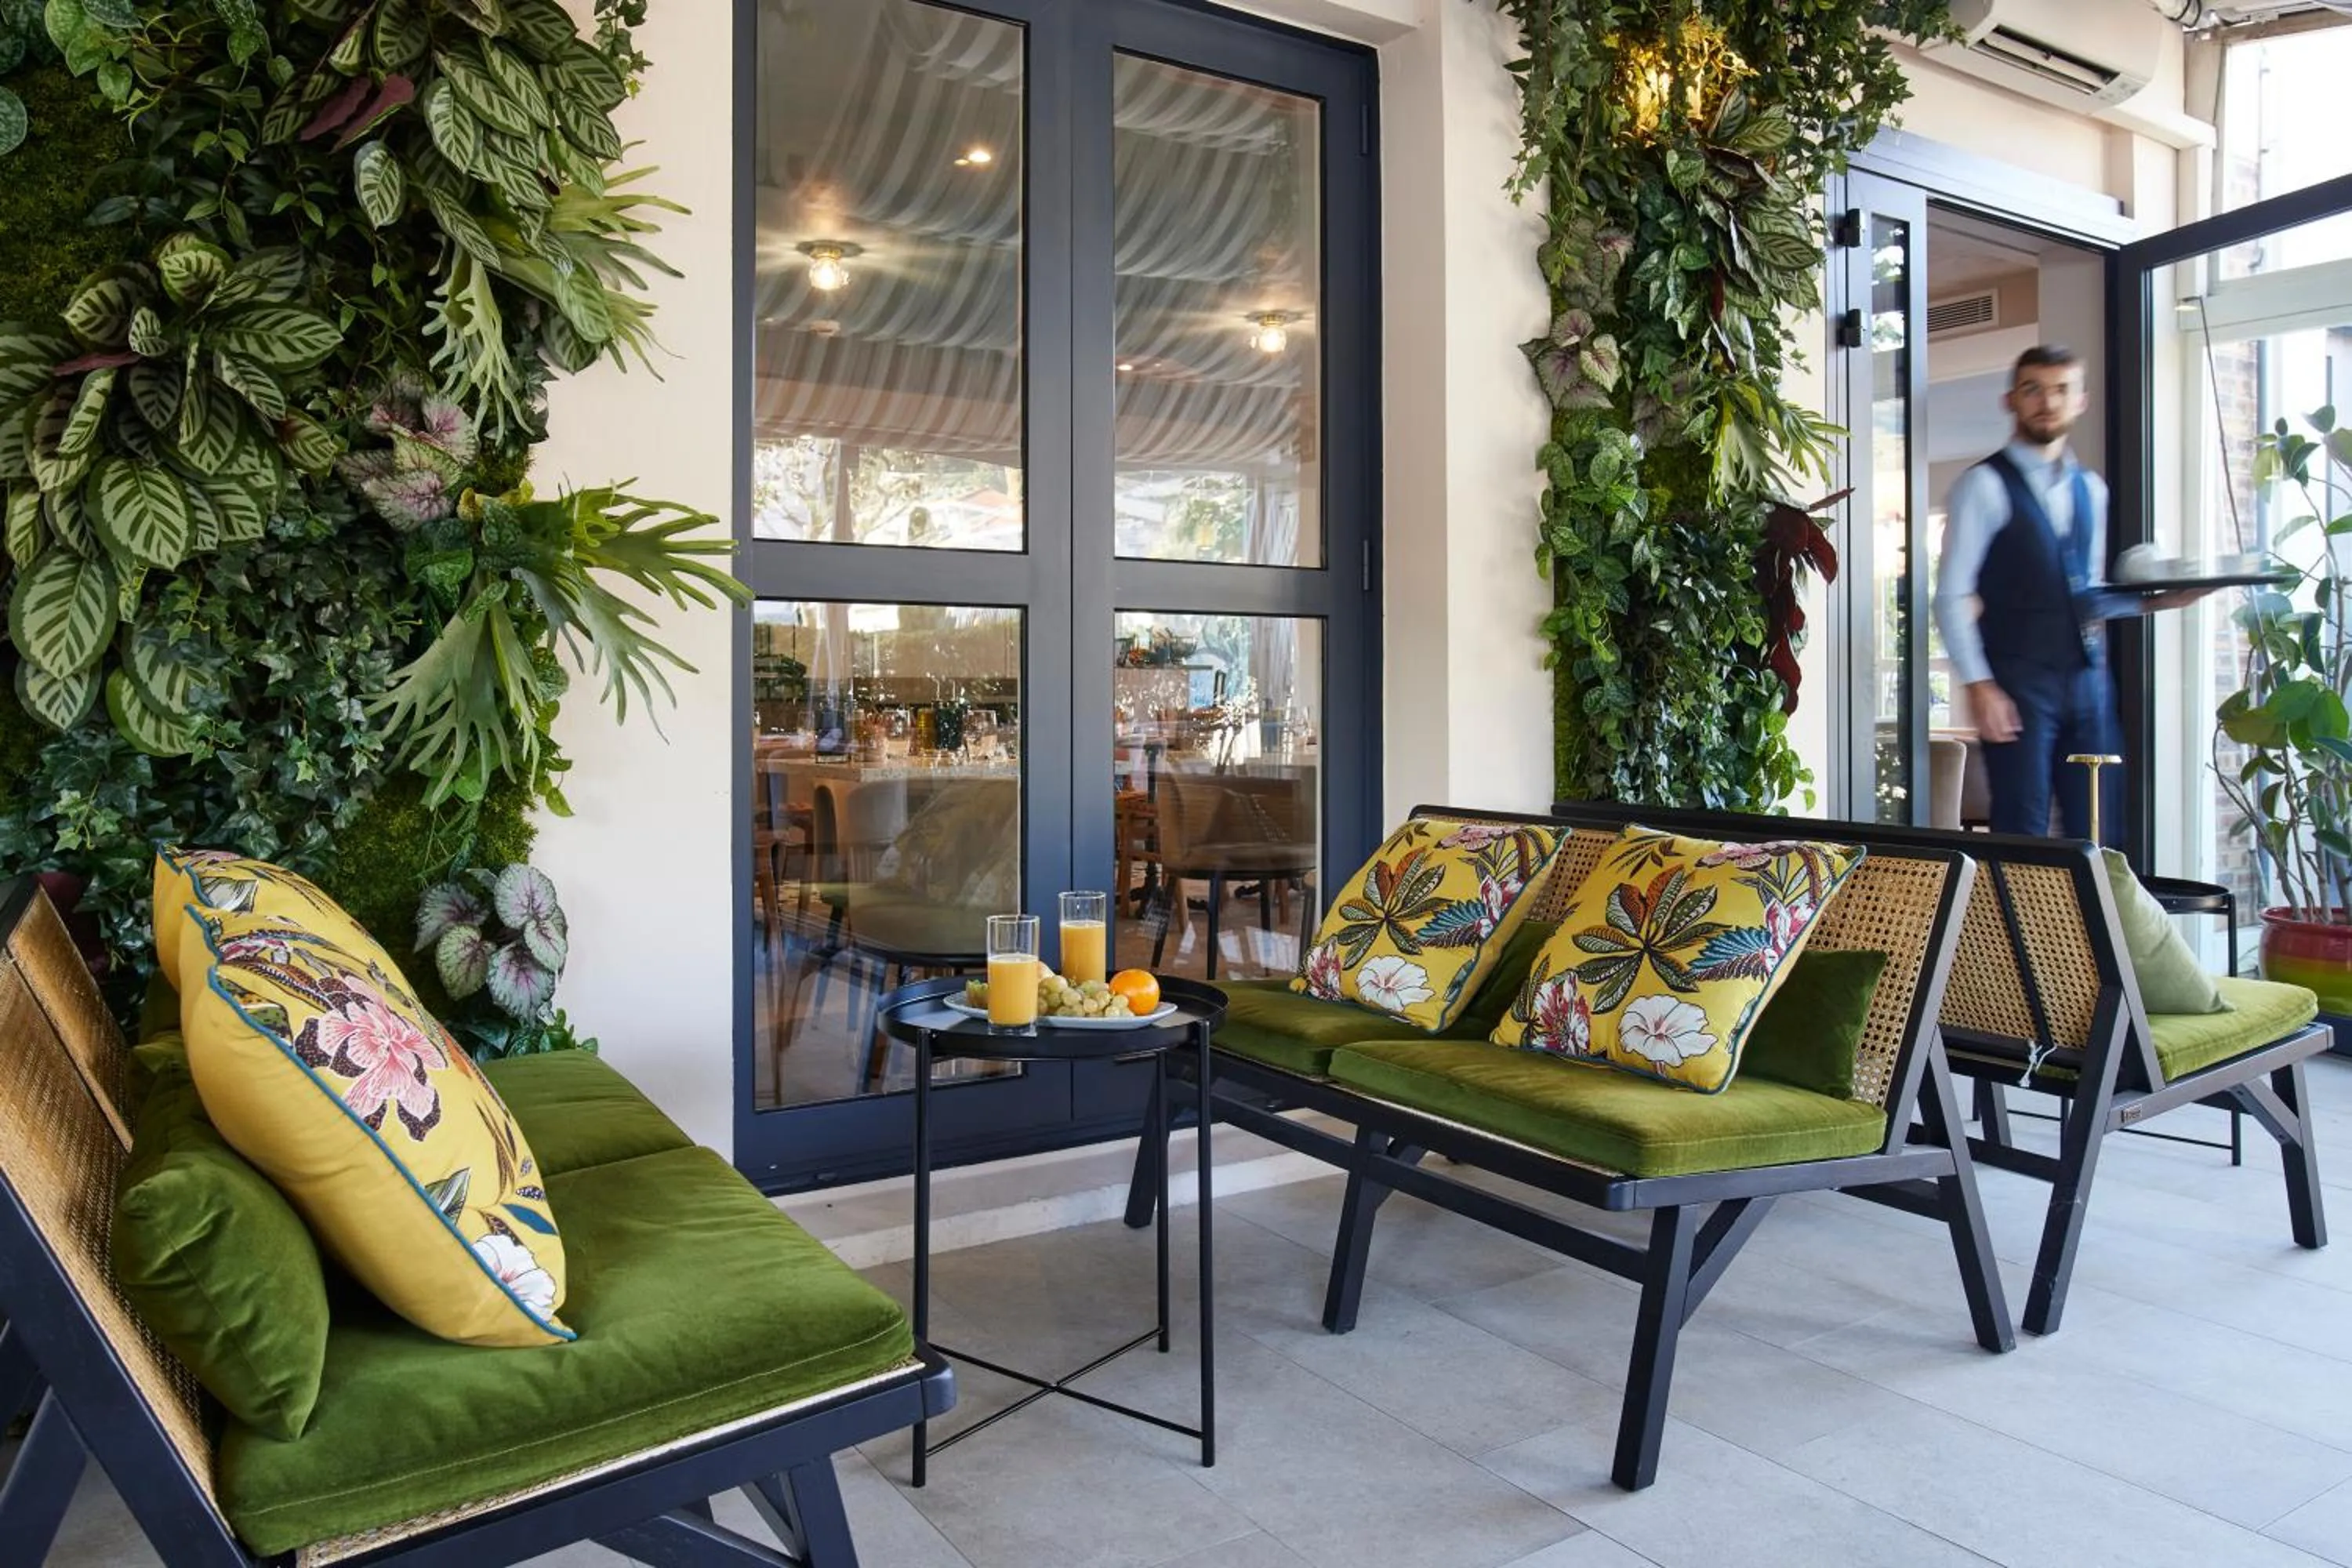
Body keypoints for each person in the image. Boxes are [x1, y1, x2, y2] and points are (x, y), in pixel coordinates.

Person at [1932, 344, 2205, 841]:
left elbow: (2084, 592)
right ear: (2010, 400)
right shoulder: (1984, 486)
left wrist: (2158, 600)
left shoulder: (2091, 489)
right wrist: (1980, 686)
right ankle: (2014, 922)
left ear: (2080, 401)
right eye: (2033, 389)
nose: (2047, 402)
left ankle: (2096, 923)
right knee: (2023, 830)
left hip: (2089, 683)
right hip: (2018, 681)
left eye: (2061, 390)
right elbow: (1950, 596)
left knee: (2100, 829)